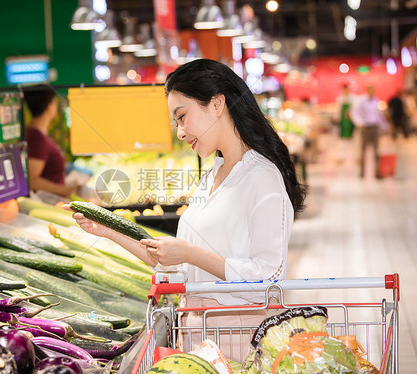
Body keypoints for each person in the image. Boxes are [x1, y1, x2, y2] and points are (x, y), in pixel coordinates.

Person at [64, 59, 306, 357]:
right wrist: (108, 232)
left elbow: (267, 280)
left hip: (239, 341)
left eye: (182, 117)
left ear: (217, 105)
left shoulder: (262, 178)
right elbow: (175, 267)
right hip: (199, 335)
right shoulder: (213, 175)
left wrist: (191, 253)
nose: (179, 132)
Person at [24, 86, 80, 198]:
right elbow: (32, 180)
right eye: (55, 102)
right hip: (49, 205)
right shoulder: (36, 138)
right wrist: (65, 190)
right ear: (49, 106)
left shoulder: (38, 135)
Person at [350, 85, 389, 179]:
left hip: (374, 128)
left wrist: (385, 126)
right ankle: (362, 172)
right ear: (367, 91)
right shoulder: (362, 101)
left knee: (376, 151)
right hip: (366, 128)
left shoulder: (376, 100)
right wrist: (360, 123)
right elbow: (354, 113)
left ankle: (377, 172)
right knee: (363, 151)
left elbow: (379, 115)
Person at [334, 84, 355, 164]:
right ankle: (340, 158)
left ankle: (352, 158)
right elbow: (338, 111)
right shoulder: (340, 99)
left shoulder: (352, 98)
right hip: (343, 122)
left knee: (351, 141)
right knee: (342, 141)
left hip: (350, 122)